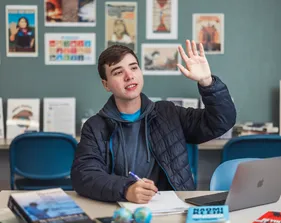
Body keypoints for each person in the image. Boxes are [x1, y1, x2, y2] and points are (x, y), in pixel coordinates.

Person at [71, 39, 236, 204]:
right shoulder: (95, 127)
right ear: (106, 84)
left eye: (134, 68)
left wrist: (207, 82)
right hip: (121, 210)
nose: (129, 76)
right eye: (118, 72)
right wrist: (126, 189)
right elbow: (84, 175)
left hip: (175, 209)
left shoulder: (168, 113)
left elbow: (221, 121)